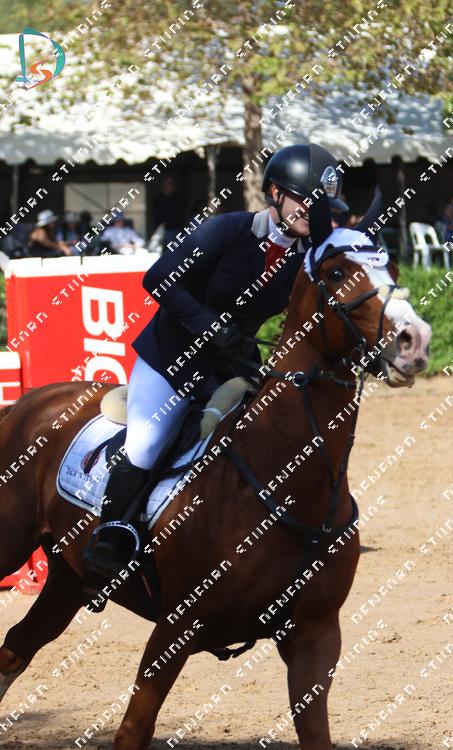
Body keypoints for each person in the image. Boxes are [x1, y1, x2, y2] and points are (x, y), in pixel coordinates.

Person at [83, 143, 349, 582]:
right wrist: (212, 328)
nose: (313, 212)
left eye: (322, 206)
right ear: (275, 193)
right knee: (148, 440)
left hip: (231, 364)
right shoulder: (227, 229)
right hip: (171, 359)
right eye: (306, 201)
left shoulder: (304, 257)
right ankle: (111, 536)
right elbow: (158, 278)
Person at [152, 175, 184, 251]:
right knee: (168, 249)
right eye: (168, 183)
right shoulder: (158, 198)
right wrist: (159, 226)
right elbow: (156, 214)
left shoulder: (177, 198)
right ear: (163, 184)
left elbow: (181, 211)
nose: (169, 185)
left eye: (171, 183)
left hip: (177, 227)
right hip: (165, 229)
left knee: (178, 249)